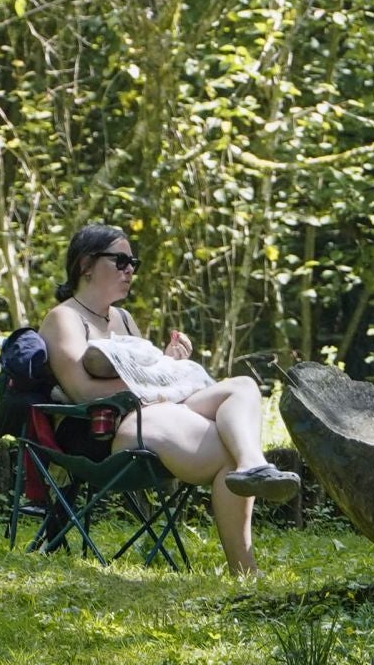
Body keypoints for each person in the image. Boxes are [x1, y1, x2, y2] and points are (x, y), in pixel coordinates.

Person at [38, 224, 299, 576]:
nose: (130, 269)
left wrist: (167, 363)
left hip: (147, 410)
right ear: (86, 264)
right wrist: (158, 382)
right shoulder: (63, 318)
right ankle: (245, 568)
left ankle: (254, 465)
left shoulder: (123, 318)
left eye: (133, 262)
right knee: (225, 455)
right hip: (100, 429)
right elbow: (82, 391)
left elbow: (133, 373)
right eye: (120, 260)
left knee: (242, 387)